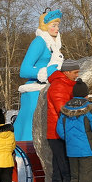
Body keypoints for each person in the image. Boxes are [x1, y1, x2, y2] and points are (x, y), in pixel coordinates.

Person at [15, 10, 64, 143]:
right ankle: (22, 150)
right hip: (35, 93)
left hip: (47, 90)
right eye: (53, 25)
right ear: (45, 26)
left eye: (58, 26)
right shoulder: (39, 42)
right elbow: (24, 70)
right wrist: (44, 73)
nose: (56, 29)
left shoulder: (53, 47)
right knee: (30, 125)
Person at [45, 59, 81, 182]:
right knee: (66, 170)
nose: (77, 75)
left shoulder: (65, 85)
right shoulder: (59, 86)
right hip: (58, 134)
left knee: (59, 171)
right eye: (75, 72)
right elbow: (63, 110)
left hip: (59, 133)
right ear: (66, 72)